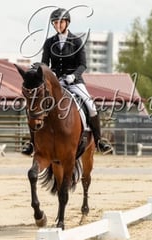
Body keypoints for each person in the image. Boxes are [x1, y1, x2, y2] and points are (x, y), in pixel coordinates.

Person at [22, 8, 113, 155]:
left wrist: (73, 76)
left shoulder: (76, 41)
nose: (58, 25)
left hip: (75, 82)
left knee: (91, 106)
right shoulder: (49, 42)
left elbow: (83, 64)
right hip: (56, 82)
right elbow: (45, 64)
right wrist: (41, 68)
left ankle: (99, 141)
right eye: (55, 22)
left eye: (61, 22)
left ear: (67, 23)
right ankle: (32, 143)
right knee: (35, 105)